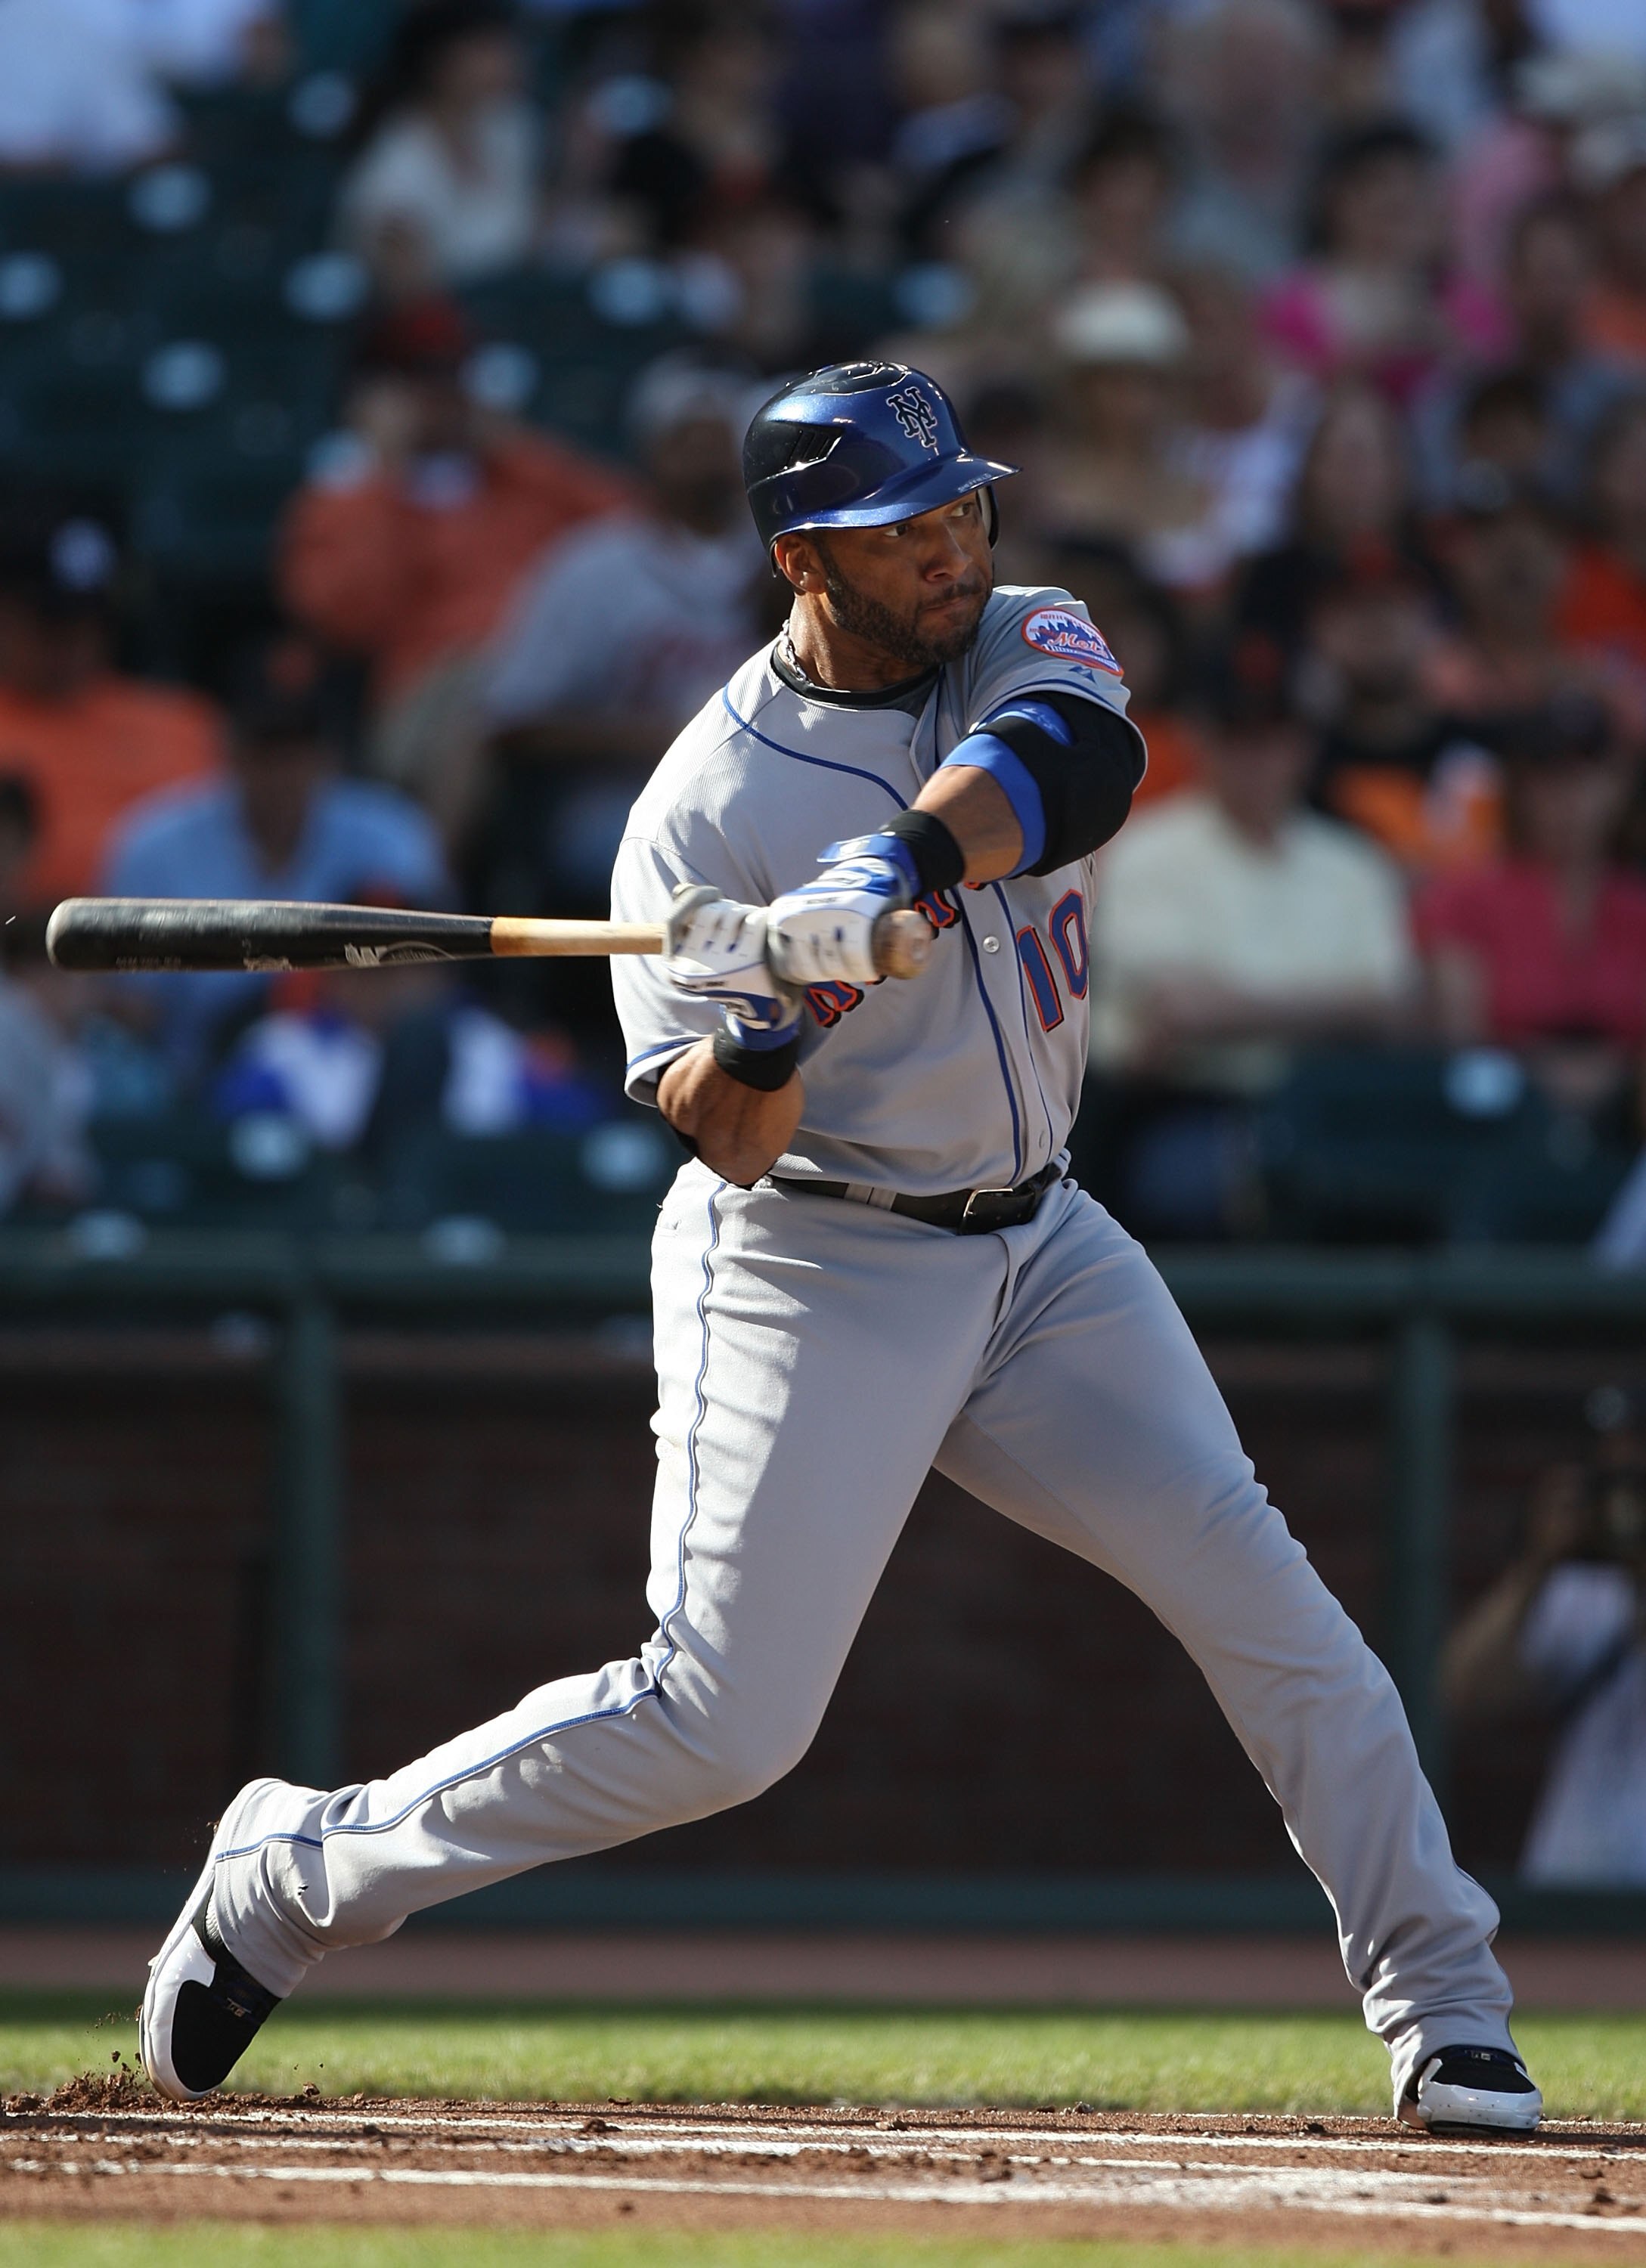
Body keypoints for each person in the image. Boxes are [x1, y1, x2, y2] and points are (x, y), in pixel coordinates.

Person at [141, 358, 1542, 2138]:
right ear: (806, 554)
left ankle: (1445, 2001)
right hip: (815, 1257)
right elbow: (722, 1130)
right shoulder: (706, 812)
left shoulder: (1028, 630)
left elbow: (1073, 763)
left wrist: (882, 873)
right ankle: (291, 1868)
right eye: (908, 524)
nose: (955, 542)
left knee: (1275, 1611)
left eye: (962, 503)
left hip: (1045, 1247)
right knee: (722, 1725)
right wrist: (783, 1014)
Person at [1087, 637, 1418, 1232]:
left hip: (1341, 1108)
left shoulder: (1353, 861)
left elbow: (1395, 1010)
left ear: (1304, 746)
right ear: (1203, 741)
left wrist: (1236, 1006)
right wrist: (1338, 1007)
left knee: (1406, 1192)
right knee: (1185, 1185)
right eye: (1237, 737)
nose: (1257, 757)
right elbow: (1180, 1009)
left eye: (1275, 737)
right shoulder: (1146, 850)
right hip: (1198, 1108)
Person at [277, 296, 630, 809]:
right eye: (420, 381)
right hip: (424, 701)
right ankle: (429, 883)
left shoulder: (518, 475)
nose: (439, 395)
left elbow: (635, 527)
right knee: (481, 702)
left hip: (550, 679)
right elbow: (346, 619)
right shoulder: (346, 498)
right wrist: (388, 475)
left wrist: (514, 444)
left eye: (450, 376)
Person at [479, 355, 768, 909]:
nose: (708, 457)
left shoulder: (781, 558)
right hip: (624, 799)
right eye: (689, 439)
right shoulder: (590, 565)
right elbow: (511, 720)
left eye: (719, 439)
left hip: (763, 792)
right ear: (650, 449)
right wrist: (647, 737)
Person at [103, 640, 448, 1077]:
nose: (282, 769)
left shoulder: (390, 835)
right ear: (229, 747)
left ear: (330, 753)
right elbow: (133, 1008)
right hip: (199, 1083)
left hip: (360, 1073)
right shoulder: (156, 844)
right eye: (265, 747)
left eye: (298, 747)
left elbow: (427, 982)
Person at [1415, 692, 1646, 1130]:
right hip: (1501, 1124)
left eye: (1586, 777)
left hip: (1629, 1127)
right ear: (1519, 789)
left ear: (1618, 783)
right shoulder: (1464, 898)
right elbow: (1462, 1043)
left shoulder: (1638, 906)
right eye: (1550, 780)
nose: (1570, 800)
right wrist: (1549, 1078)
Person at [1446, 1387, 1646, 1885]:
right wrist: (1536, 1564)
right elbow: (1461, 1691)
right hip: (1575, 1889)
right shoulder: (1583, 1592)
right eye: (1613, 1480)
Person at [0, 498, 221, 911]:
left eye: (88, 620)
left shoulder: (183, 723)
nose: (71, 642)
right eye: (49, 622)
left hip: (164, 956)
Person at [336, 0, 540, 298]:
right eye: (486, 49)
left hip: (516, 310)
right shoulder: (397, 159)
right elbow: (407, 288)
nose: (506, 60)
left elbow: (535, 238)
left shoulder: (513, 125)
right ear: (440, 64)